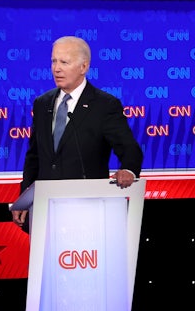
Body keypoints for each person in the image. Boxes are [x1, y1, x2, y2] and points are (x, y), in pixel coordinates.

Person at [11, 35, 143, 231]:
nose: (56, 68)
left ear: (83, 67)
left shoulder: (105, 105)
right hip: (46, 209)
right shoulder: (42, 103)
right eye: (54, 61)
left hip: (87, 210)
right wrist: (23, 199)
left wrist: (129, 170)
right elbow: (34, 157)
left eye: (64, 62)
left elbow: (130, 148)